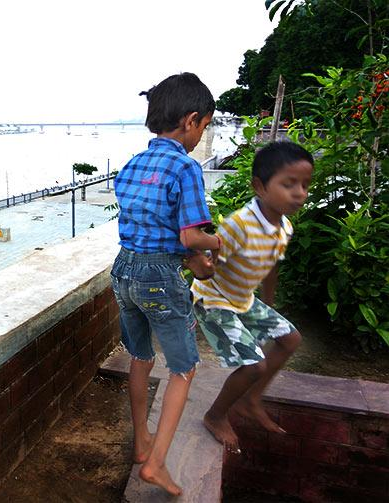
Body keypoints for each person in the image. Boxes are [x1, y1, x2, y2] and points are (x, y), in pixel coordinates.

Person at [111, 72, 221, 496]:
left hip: (124, 270)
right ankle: (155, 464)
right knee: (184, 368)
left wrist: (190, 253)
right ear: (191, 120)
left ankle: (143, 442)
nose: (201, 136)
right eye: (205, 126)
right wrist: (217, 240)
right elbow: (191, 236)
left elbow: (150, 224)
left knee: (140, 356)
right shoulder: (184, 167)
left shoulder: (133, 164)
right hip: (158, 276)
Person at [191, 141, 314, 453]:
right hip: (213, 300)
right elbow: (205, 261)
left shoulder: (283, 226)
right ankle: (215, 415)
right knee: (254, 365)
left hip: (242, 299)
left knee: (290, 338)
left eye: (305, 184)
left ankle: (251, 399)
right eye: (289, 184)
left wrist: (268, 304)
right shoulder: (239, 226)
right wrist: (199, 270)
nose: (300, 192)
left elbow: (271, 264)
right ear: (259, 186)